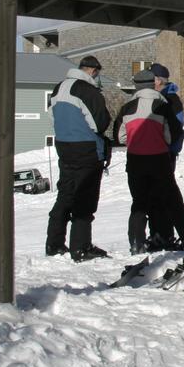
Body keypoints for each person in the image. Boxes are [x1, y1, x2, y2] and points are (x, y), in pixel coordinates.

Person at [113, 69, 184, 255]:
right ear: (153, 84)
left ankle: (136, 243)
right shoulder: (162, 105)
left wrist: (136, 142)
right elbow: (172, 133)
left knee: (139, 202)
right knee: (171, 199)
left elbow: (119, 136)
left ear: (136, 86)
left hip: (135, 160)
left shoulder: (127, 108)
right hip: (158, 159)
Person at [47, 55, 113, 261]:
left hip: (64, 146)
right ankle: (80, 246)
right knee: (85, 197)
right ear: (93, 71)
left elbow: (52, 116)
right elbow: (99, 123)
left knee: (65, 195)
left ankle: (54, 243)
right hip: (86, 148)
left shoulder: (59, 88)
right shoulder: (87, 90)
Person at [143, 63, 184, 250]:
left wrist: (167, 145)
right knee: (154, 195)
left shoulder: (171, 99)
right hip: (154, 152)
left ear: (159, 80)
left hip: (166, 153)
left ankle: (166, 235)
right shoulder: (155, 97)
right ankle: (159, 234)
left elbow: (177, 126)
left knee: (164, 193)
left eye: (152, 78)